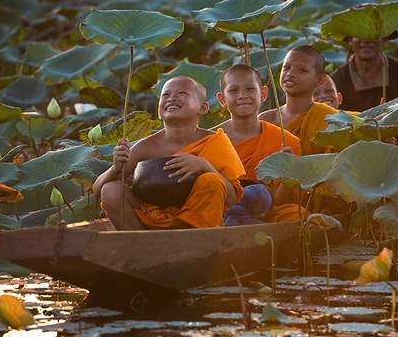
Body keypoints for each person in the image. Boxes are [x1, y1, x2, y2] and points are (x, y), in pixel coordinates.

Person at [92, 76, 245, 230]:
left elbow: (232, 198)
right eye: (165, 95)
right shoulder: (147, 146)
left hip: (200, 225)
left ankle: (200, 246)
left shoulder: (215, 142)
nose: (171, 98)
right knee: (110, 189)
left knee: (212, 180)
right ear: (159, 110)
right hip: (151, 220)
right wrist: (116, 168)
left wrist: (204, 166)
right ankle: (142, 246)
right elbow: (98, 189)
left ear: (203, 108)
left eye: (182, 93)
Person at [214, 64, 304, 223]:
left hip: (267, 212)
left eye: (250, 89)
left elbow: (281, 201)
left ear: (263, 93)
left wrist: (288, 172)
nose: (242, 95)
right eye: (233, 91)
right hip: (223, 209)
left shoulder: (285, 140)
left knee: (297, 215)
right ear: (222, 99)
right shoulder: (211, 139)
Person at [259, 45, 338, 155]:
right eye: (286, 67)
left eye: (302, 70)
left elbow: (335, 167)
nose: (290, 74)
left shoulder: (330, 121)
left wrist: (294, 166)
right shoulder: (264, 120)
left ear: (320, 80)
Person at [329, 32, 398, 112]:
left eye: (373, 34)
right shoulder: (336, 82)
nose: (365, 40)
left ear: (385, 40)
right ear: (350, 40)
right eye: (359, 34)